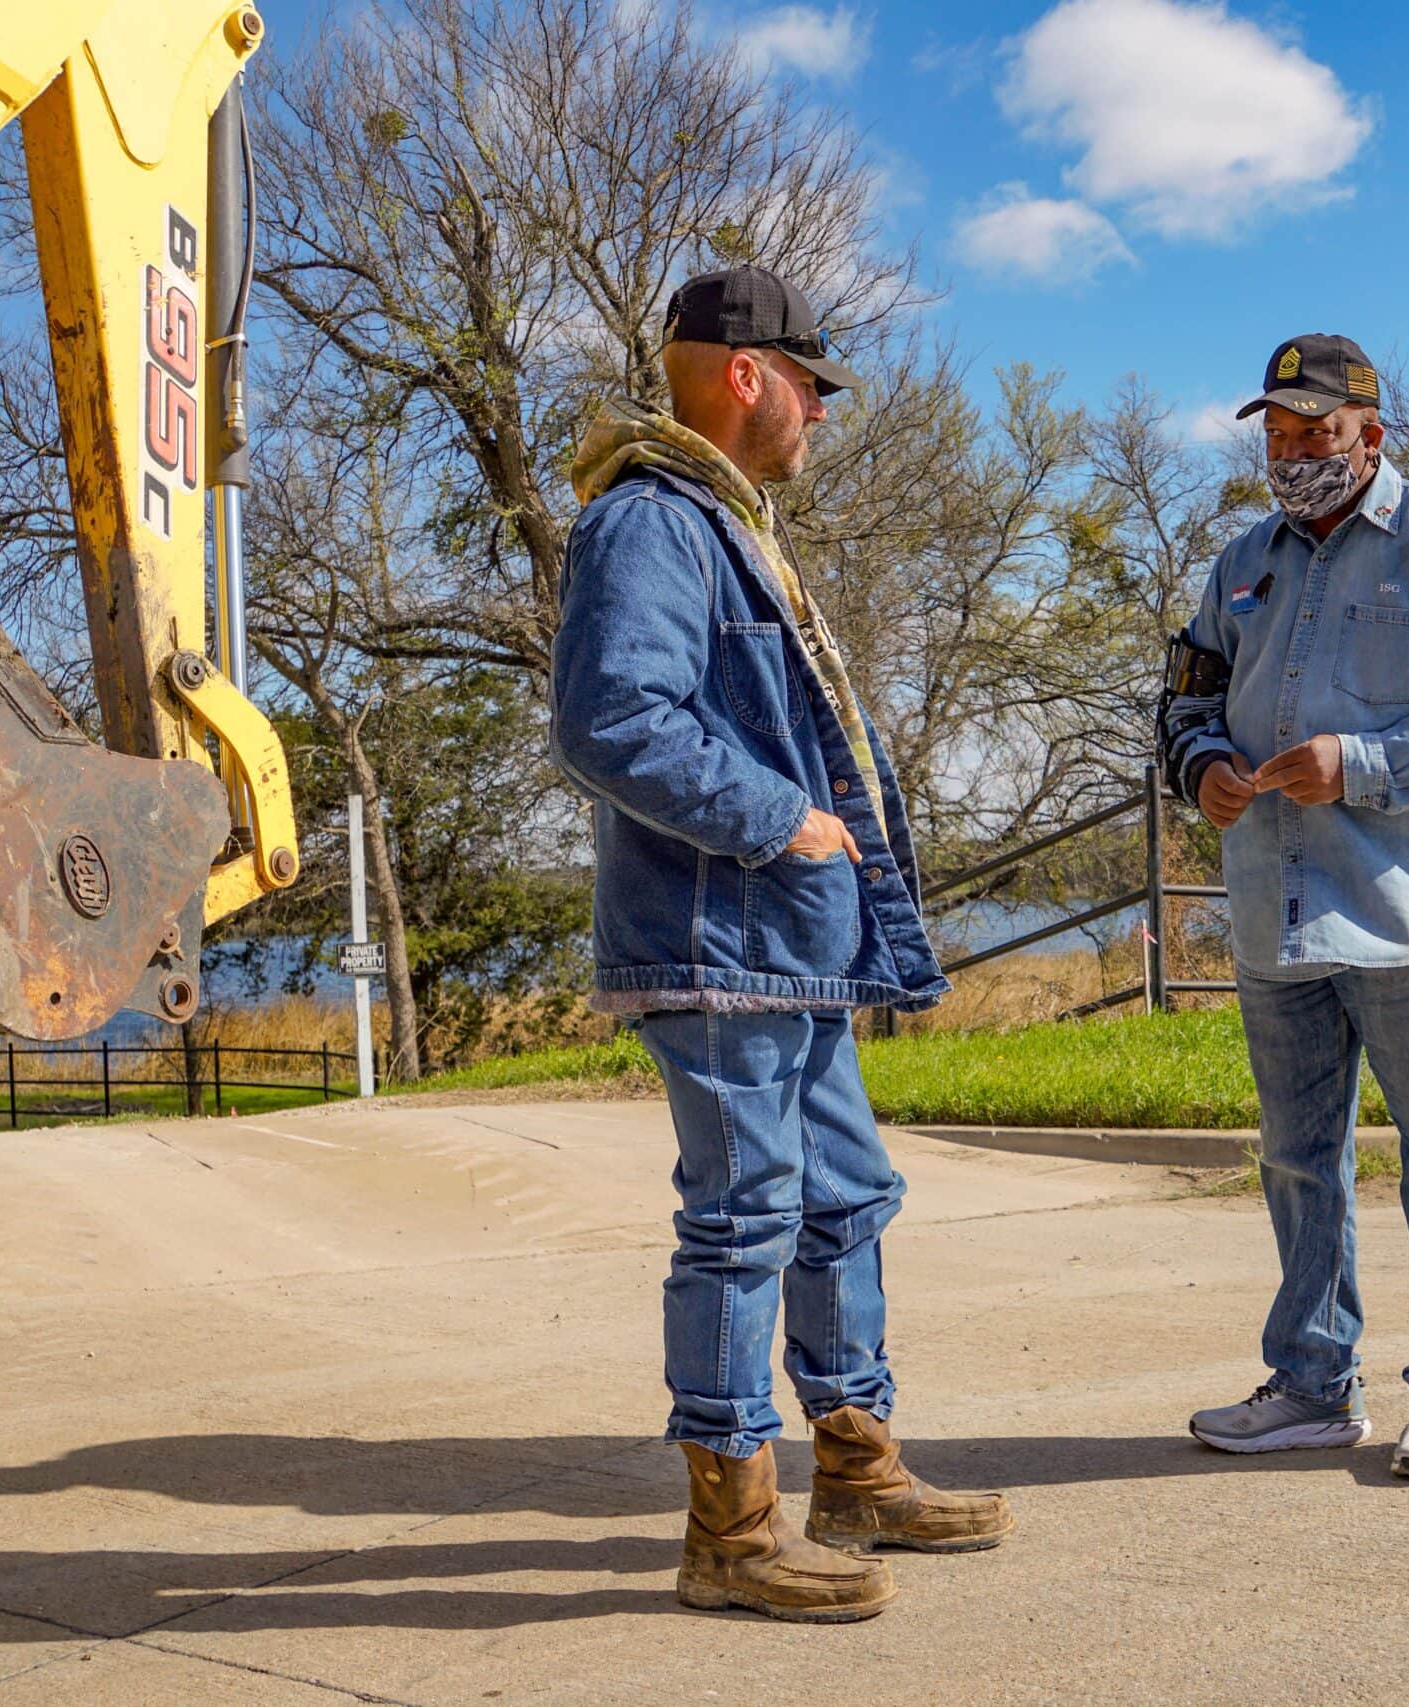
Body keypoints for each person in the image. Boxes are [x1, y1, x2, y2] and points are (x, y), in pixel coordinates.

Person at [549, 265, 1013, 1623]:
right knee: (745, 1217)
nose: (818, 413)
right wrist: (787, 819)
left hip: (784, 946)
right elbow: (609, 718)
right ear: (747, 375)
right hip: (720, 938)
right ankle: (729, 1522)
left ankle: (855, 1466)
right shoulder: (648, 520)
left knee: (842, 1197)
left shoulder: (724, 524)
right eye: (811, 386)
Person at [1161, 333, 1409, 1480]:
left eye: (1313, 434)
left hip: (1406, 913)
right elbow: (1181, 700)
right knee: (1294, 1157)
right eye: (1276, 437)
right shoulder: (1239, 562)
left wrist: (1367, 765)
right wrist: (1201, 770)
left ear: (1370, 436)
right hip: (1270, 909)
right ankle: (1309, 1384)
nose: (1290, 456)